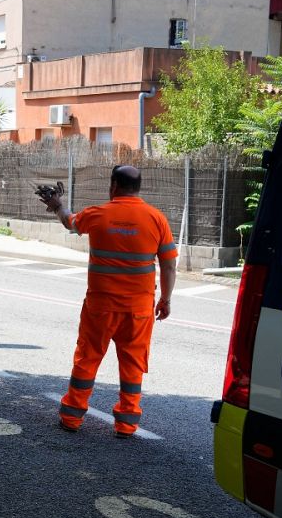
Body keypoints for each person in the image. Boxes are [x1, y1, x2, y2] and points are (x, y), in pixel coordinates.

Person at [38, 165, 177, 438]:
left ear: (113, 185)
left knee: (87, 358)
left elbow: (70, 221)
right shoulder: (156, 218)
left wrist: (57, 205)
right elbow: (170, 267)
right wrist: (166, 299)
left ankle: (72, 417)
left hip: (100, 308)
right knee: (133, 364)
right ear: (138, 187)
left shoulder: (97, 214)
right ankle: (126, 424)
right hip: (138, 310)